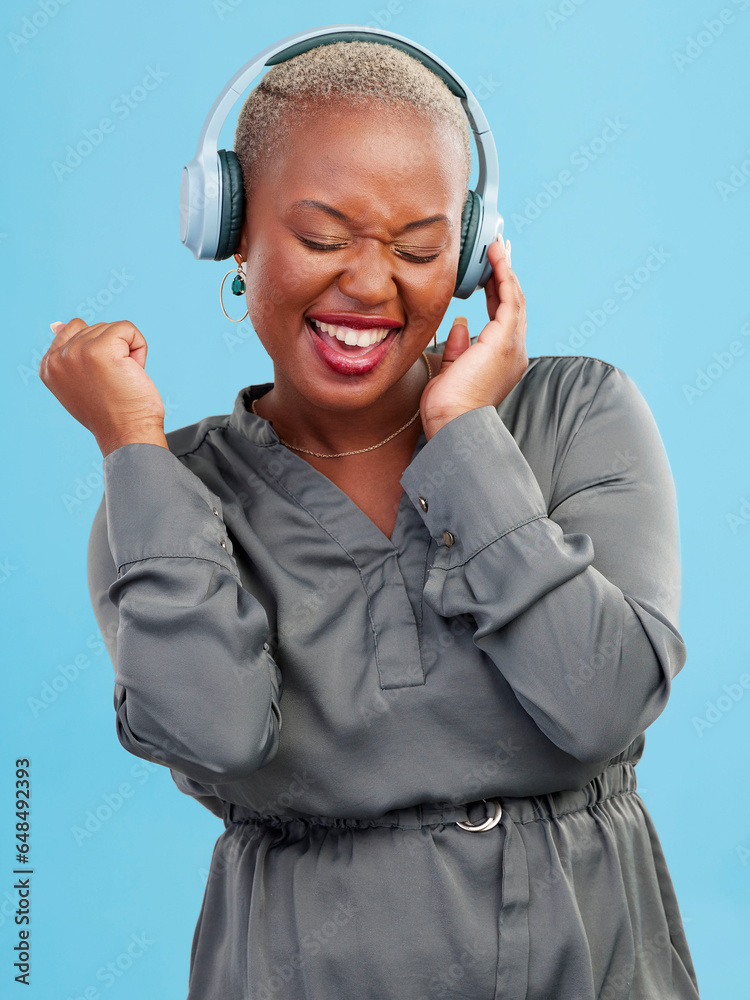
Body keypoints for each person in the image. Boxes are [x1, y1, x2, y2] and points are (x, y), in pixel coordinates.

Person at [40, 37, 701, 1000]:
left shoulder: (576, 415)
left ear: (472, 256)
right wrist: (131, 446)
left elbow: (599, 702)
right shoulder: (165, 492)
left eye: (420, 248)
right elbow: (216, 732)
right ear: (228, 229)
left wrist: (464, 438)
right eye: (320, 238)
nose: (370, 284)